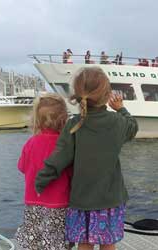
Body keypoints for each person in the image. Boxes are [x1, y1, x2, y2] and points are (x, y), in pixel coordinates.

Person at [35, 67, 138, 250]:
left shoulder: (74, 125)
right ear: (107, 95)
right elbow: (133, 128)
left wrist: (41, 180)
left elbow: (59, 157)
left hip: (82, 200)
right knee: (108, 242)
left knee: (84, 242)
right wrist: (121, 109)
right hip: (110, 199)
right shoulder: (118, 122)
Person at [15, 94, 73, 250]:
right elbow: (71, 173)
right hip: (58, 204)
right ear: (64, 119)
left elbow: (22, 167)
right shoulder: (65, 145)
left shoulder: (31, 143)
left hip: (33, 202)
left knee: (34, 240)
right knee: (56, 242)